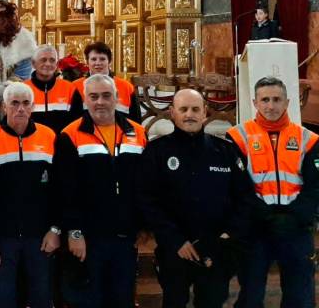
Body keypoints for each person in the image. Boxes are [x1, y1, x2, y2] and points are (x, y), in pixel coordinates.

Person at [140, 89, 253, 308]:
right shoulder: (156, 152)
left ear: (205, 113)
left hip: (217, 250)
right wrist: (174, 240)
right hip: (175, 249)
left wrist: (226, 235)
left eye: (195, 109)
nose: (189, 114)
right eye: (183, 109)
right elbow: (146, 199)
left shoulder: (226, 151)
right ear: (172, 113)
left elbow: (245, 198)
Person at [56, 74, 147, 308]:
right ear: (85, 100)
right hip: (89, 238)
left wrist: (144, 225)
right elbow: (66, 190)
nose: (100, 102)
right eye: (94, 96)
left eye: (106, 96)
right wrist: (74, 232)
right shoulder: (70, 134)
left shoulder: (137, 133)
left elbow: (145, 185)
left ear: (116, 98)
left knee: (122, 299)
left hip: (126, 236)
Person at [227, 77, 319, 308]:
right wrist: (264, 215)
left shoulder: (308, 139)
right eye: (265, 99)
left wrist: (293, 215)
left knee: (300, 297)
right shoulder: (238, 137)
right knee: (251, 296)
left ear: (287, 102)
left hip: (295, 228)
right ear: (255, 102)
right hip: (256, 229)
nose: (271, 105)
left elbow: (315, 186)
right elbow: (237, 187)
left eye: (276, 99)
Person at [0, 82, 60, 308]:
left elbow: (60, 190)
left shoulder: (49, 137)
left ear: (33, 107)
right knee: (4, 299)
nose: (20, 109)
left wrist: (55, 229)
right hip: (3, 239)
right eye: (14, 103)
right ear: (4, 107)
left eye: (26, 103)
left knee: (42, 298)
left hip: (41, 238)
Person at [71, 41, 141, 123]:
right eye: (93, 59)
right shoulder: (75, 87)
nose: (98, 63)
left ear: (109, 61)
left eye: (102, 59)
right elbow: (71, 120)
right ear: (87, 62)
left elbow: (136, 121)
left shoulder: (127, 87)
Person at [24, 45, 81, 133]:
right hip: (32, 144)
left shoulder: (70, 89)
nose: (48, 64)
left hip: (62, 144)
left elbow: (77, 123)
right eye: (43, 60)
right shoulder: (23, 90)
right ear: (33, 64)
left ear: (57, 65)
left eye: (52, 60)